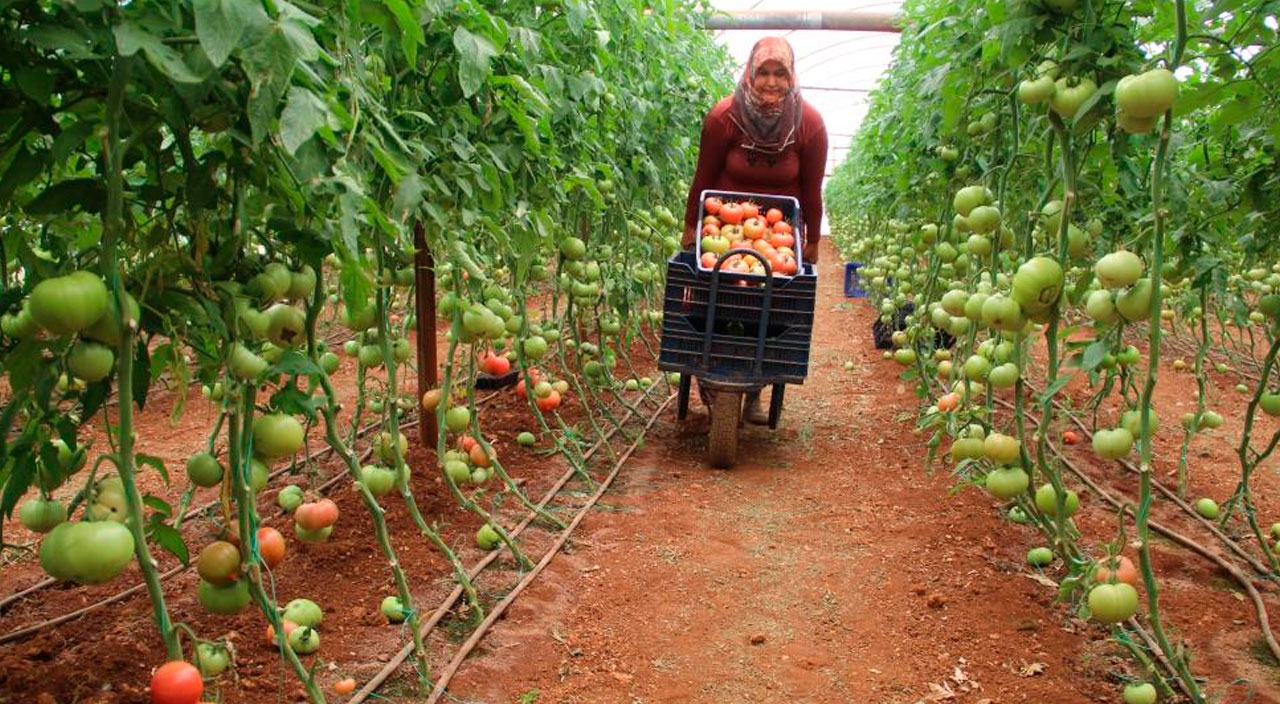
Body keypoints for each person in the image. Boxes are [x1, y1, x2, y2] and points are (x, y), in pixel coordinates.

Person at [681, 36, 828, 425]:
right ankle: (708, 370)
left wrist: (811, 241)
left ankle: (757, 386)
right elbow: (703, 178)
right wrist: (691, 227)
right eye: (763, 71)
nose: (771, 81)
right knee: (712, 298)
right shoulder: (724, 117)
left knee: (773, 305)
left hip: (779, 235)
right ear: (750, 72)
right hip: (725, 225)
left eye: (781, 73)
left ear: (792, 75)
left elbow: (811, 190)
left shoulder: (808, 124)